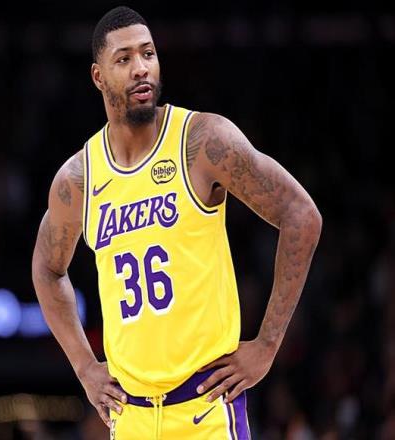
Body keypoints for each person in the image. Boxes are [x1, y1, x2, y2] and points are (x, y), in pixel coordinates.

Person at [32, 6, 322, 440]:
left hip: (205, 411)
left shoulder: (202, 141)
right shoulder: (79, 178)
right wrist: (84, 366)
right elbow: (47, 269)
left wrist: (267, 345)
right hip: (129, 417)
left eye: (148, 53)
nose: (141, 68)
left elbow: (301, 215)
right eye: (124, 59)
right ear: (98, 77)